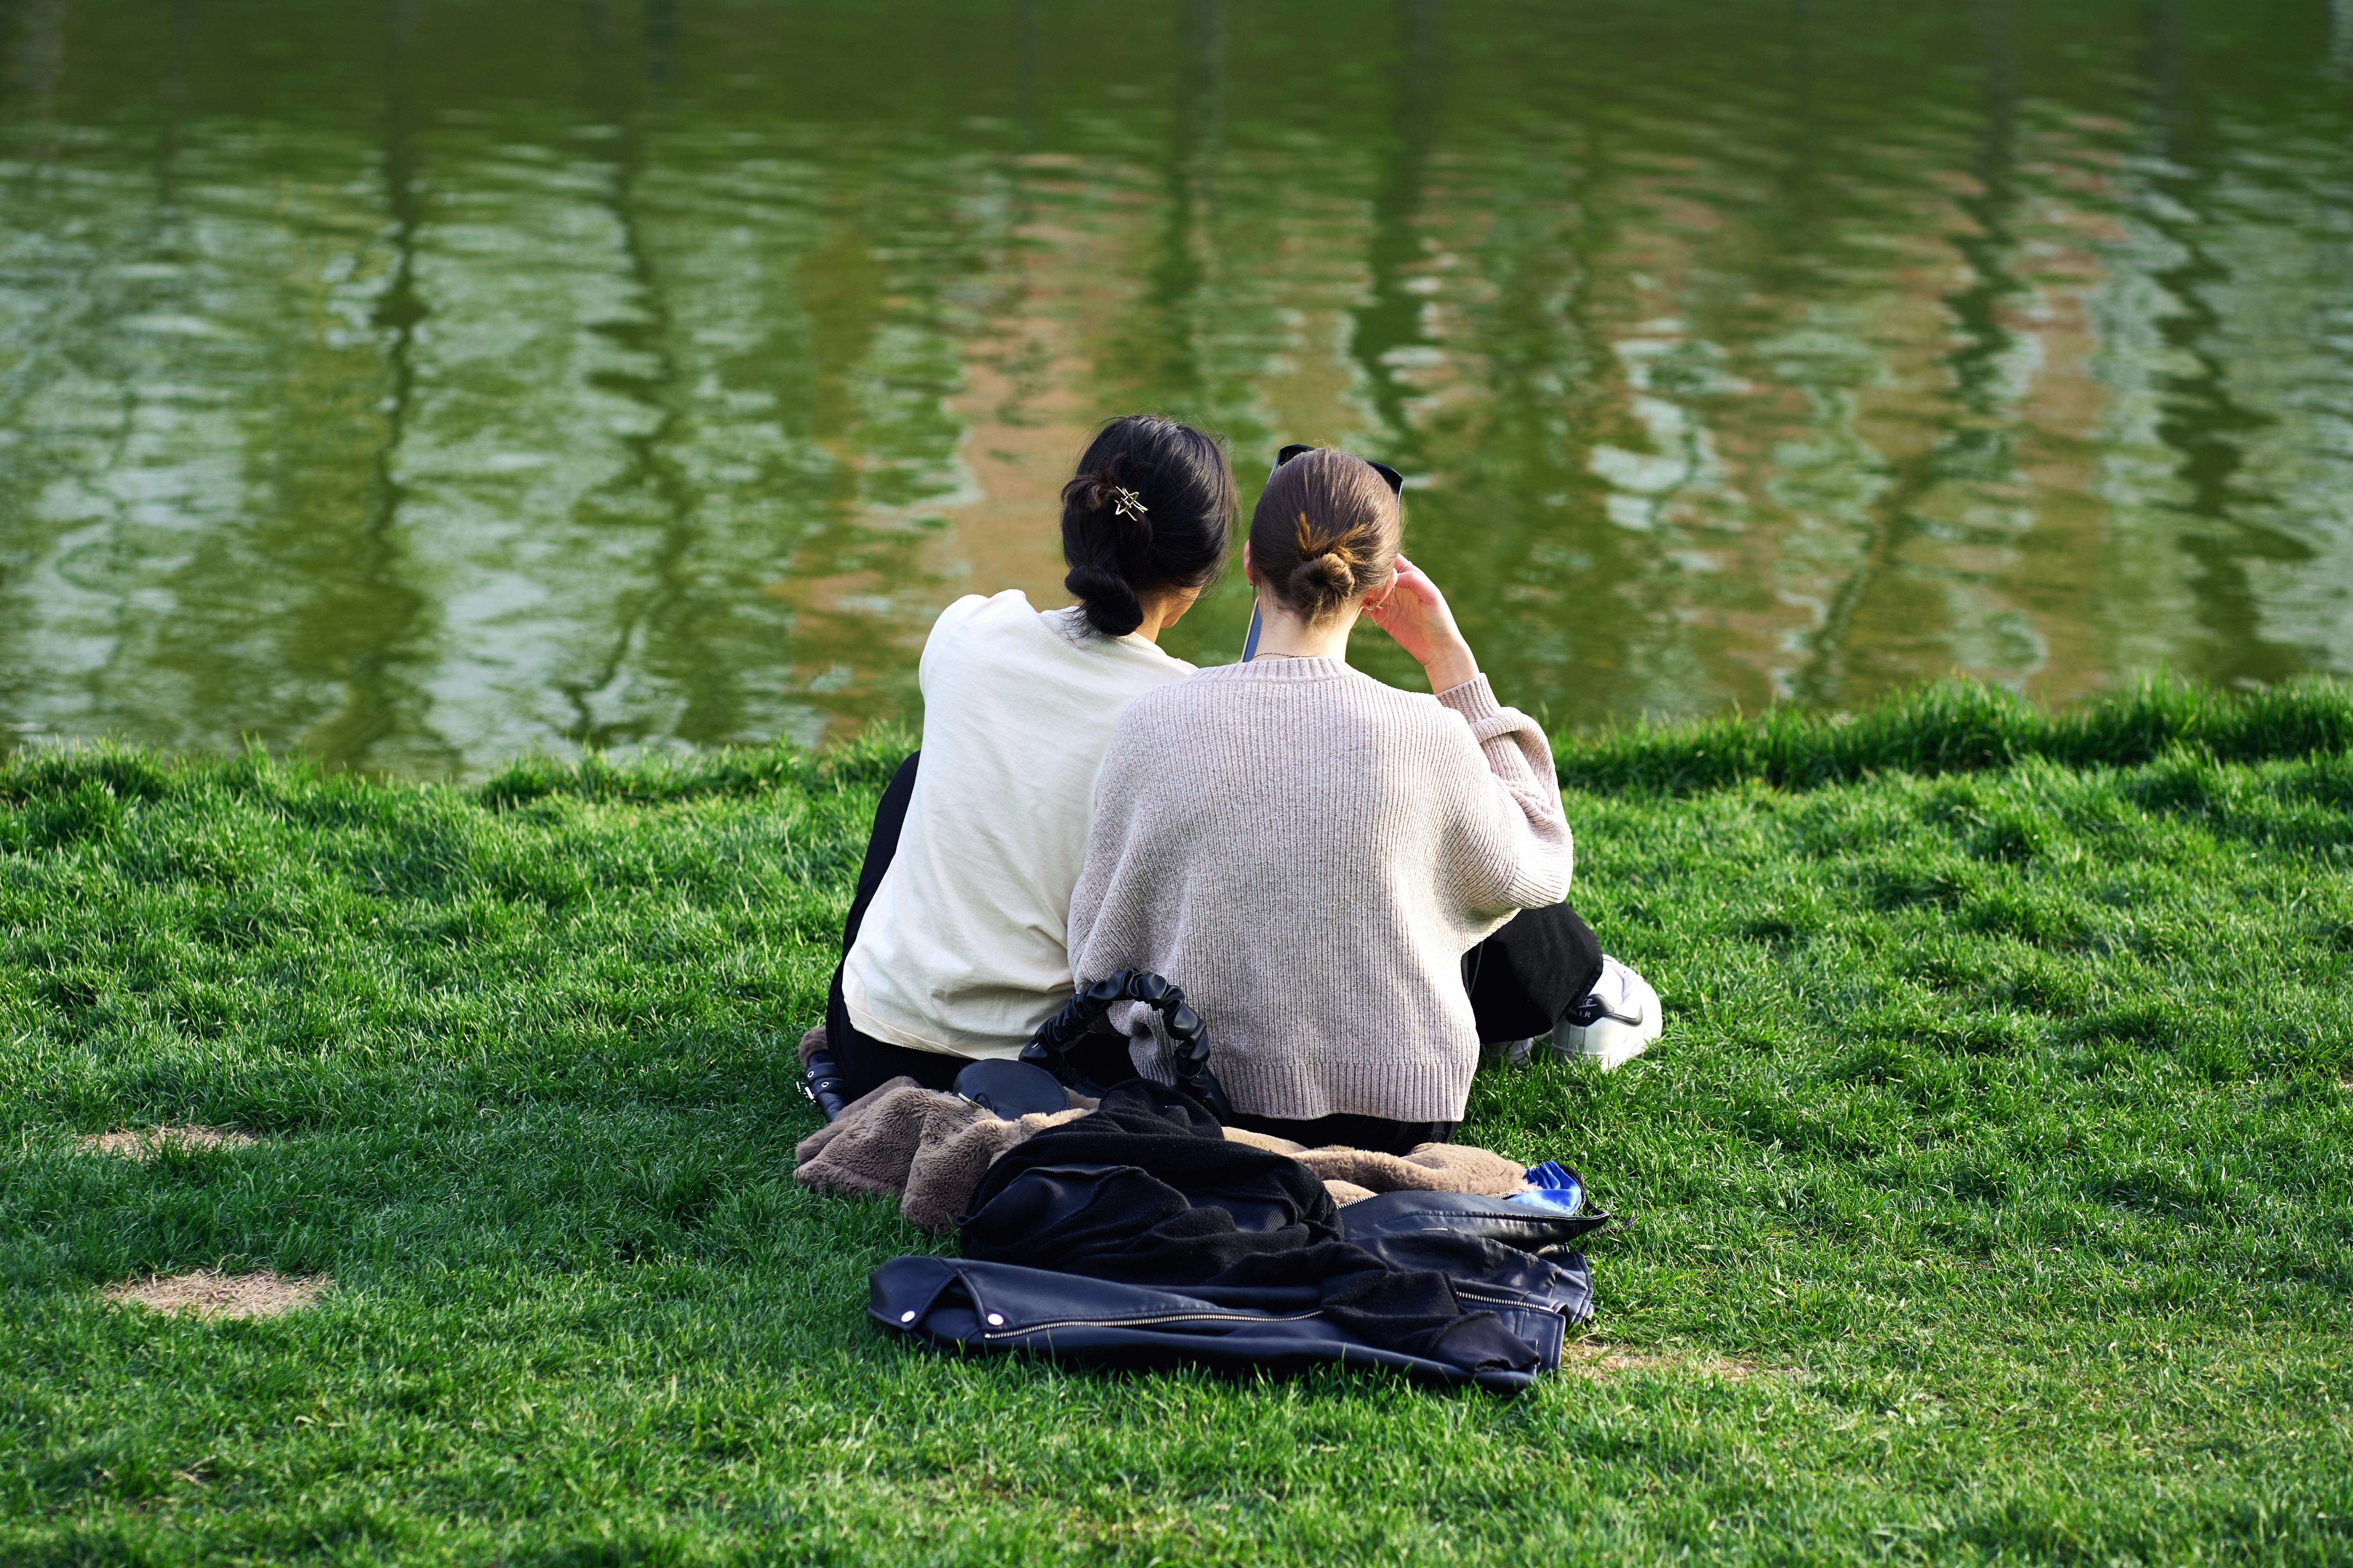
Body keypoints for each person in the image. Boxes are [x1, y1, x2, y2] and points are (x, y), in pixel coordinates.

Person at [1067, 446, 1646, 1156]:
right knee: (1453, 879)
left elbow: (1098, 954)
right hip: (1398, 1121)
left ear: (1250, 563)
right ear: (1377, 595)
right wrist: (1449, 661)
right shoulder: (1430, 734)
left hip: (1199, 1104)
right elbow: (1543, 863)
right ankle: (1592, 1002)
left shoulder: (1153, 721)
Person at [823, 414, 1238, 1101]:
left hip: (873, 1050)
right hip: (1039, 1073)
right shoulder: (1189, 712)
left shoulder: (967, 631)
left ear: (1077, 527)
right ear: (1198, 579)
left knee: (914, 776)